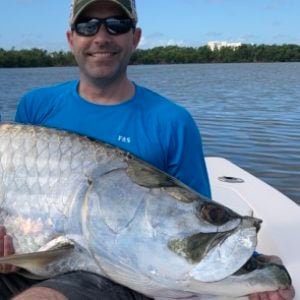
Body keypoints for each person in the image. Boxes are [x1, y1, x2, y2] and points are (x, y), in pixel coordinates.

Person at [0, 0, 295, 299]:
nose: (101, 37)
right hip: (36, 263)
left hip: (116, 274)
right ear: (71, 38)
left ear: (135, 37)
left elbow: (189, 217)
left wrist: (253, 261)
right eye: (87, 26)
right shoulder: (36, 106)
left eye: (117, 24)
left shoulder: (171, 122)